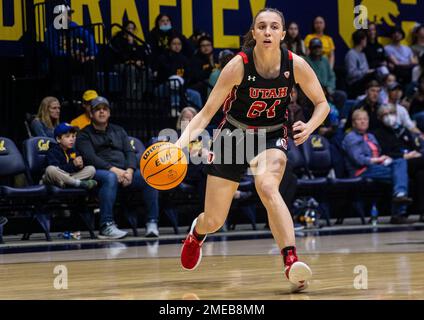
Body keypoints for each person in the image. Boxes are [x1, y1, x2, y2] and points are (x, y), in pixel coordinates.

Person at [175, 8, 330, 292]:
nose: (268, 31)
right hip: (234, 136)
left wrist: (309, 126)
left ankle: (291, 260)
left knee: (267, 186)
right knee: (214, 220)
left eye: (274, 27)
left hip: (272, 135)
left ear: (283, 34)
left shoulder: (295, 64)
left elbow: (323, 103)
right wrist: (177, 146)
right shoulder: (237, 65)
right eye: (262, 26)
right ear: (254, 33)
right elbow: (206, 113)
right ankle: (197, 234)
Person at [76, 96, 160, 239]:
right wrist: (115, 171)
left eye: (105, 109)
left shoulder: (119, 130)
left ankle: (152, 222)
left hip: (124, 172)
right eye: (97, 110)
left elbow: (129, 152)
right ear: (91, 114)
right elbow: (90, 158)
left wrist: (130, 171)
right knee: (110, 178)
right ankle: (106, 226)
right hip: (99, 172)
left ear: (109, 113)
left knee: (149, 176)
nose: (102, 112)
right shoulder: (84, 134)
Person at [342, 109, 412, 224]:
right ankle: (398, 211)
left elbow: (378, 152)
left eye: (365, 119)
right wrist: (377, 160)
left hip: (377, 167)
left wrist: (383, 159)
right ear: (353, 123)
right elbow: (358, 160)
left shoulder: (370, 136)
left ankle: (400, 196)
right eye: (359, 119)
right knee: (400, 176)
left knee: (400, 162)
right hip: (362, 170)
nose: (363, 122)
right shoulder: (350, 137)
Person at [373, 104, 424, 223]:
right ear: (380, 118)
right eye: (385, 114)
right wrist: (404, 156)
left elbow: (415, 146)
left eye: (391, 113)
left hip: (413, 161)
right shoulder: (378, 133)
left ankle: (420, 212)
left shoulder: (403, 130)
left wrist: (415, 152)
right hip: (396, 162)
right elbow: (384, 153)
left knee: (421, 174)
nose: (389, 116)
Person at [42, 122, 97, 190]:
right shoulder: (52, 151)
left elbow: (74, 169)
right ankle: (78, 183)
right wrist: (73, 165)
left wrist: (80, 166)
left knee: (91, 169)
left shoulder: (73, 151)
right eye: (67, 136)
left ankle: (67, 183)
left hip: (66, 177)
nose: (72, 139)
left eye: (73, 136)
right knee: (50, 169)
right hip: (53, 178)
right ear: (58, 139)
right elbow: (57, 169)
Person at [345, 30, 376, 98]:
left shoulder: (363, 54)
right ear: (362, 40)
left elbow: (366, 69)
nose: (366, 42)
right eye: (365, 39)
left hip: (364, 80)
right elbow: (351, 74)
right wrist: (365, 72)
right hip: (354, 84)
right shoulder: (351, 54)